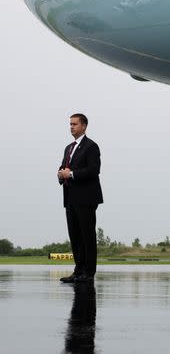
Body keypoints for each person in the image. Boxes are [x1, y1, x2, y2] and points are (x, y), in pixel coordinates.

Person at [57, 114, 103, 284]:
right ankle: (78, 270)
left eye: (74, 124)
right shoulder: (69, 148)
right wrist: (61, 174)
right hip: (70, 198)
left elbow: (94, 170)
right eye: (70, 124)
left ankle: (88, 272)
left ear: (84, 126)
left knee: (87, 235)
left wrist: (72, 174)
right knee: (75, 236)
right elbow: (64, 167)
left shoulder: (91, 146)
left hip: (86, 197)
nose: (71, 127)